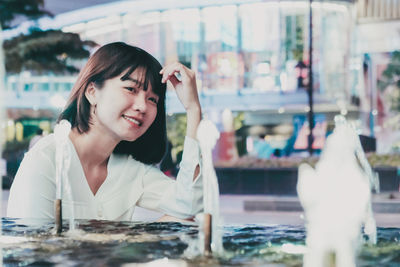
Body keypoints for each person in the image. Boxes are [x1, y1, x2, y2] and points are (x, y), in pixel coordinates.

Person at [7, 42, 203, 221]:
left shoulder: (130, 169)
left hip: (111, 260)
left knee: (185, 219)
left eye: (153, 99)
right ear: (92, 92)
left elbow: (189, 205)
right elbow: (33, 249)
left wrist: (193, 109)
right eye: (131, 89)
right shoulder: (47, 158)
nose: (143, 106)